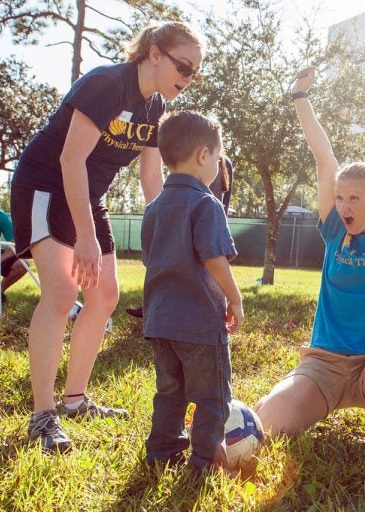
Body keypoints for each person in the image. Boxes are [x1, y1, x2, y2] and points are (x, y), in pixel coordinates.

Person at [10, 21, 205, 453]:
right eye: (184, 67)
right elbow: (70, 158)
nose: (188, 80)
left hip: (87, 194)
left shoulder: (155, 110)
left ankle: (75, 401)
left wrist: (173, 230)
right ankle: (43, 415)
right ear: (154, 53)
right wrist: (85, 235)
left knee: (104, 295)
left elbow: (152, 178)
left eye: (195, 73)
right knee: (62, 293)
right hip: (46, 184)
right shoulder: (106, 84)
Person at [254, 61, 365, 446]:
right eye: (339, 197)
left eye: (354, 198)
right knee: (267, 426)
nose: (344, 205)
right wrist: (300, 96)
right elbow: (324, 159)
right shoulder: (335, 228)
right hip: (323, 365)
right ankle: (281, 404)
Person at [141, 111, 242, 471]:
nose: (217, 164)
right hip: (198, 322)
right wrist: (235, 298)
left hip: (159, 322)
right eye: (218, 157)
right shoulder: (205, 203)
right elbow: (214, 258)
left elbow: (151, 260)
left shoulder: (153, 209)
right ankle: (206, 459)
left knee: (170, 393)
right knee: (212, 395)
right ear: (203, 155)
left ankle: (162, 453)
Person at [125, 155, 234, 318]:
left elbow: (225, 197)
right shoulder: (186, 157)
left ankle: (207, 311)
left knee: (205, 268)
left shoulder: (221, 163)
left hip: (205, 221)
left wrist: (219, 227)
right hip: (185, 219)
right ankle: (155, 306)